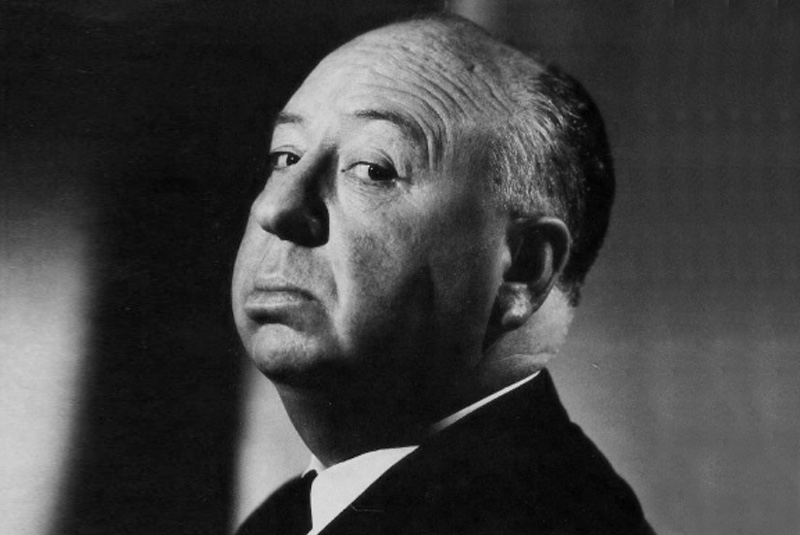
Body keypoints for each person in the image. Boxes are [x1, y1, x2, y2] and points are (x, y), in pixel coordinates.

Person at [231, 12, 654, 535]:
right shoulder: (288, 519)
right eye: (285, 156)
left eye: (373, 169)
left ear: (522, 269)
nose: (276, 208)